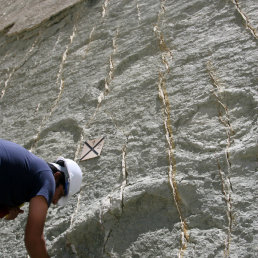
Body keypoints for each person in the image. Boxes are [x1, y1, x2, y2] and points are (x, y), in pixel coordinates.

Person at [0, 139, 82, 258]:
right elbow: (33, 240)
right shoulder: (47, 178)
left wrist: (7, 206)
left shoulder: (31, 173)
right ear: (57, 176)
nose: (54, 202)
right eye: (60, 194)